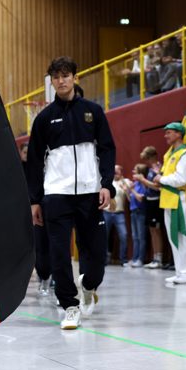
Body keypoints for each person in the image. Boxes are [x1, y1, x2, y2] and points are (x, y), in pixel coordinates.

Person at [26, 56, 115, 330]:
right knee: (59, 254)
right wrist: (34, 200)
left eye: (65, 76)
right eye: (56, 77)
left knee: (97, 256)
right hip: (56, 195)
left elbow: (107, 149)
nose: (61, 81)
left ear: (75, 78)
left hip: (90, 193)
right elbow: (34, 162)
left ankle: (88, 285)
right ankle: (70, 306)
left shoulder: (93, 112)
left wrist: (106, 184)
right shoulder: (44, 119)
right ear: (51, 82)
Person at [154, 122, 186, 284]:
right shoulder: (170, 154)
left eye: (169, 132)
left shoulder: (184, 154)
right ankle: (180, 272)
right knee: (174, 237)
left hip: (180, 199)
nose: (165, 135)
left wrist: (161, 179)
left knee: (182, 236)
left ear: (179, 134)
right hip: (169, 200)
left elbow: (182, 178)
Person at [20, 142, 51, 295]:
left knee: (46, 244)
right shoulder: (17, 171)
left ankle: (48, 277)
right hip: (24, 213)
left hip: (42, 209)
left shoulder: (42, 168)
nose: (27, 155)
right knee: (33, 246)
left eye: (29, 152)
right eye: (25, 152)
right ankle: (41, 275)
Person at [135, 146, 165, 268]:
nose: (146, 162)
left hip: (156, 202)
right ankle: (155, 257)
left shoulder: (159, 168)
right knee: (152, 230)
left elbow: (158, 187)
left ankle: (159, 258)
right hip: (149, 201)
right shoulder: (151, 169)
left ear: (152, 157)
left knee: (157, 230)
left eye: (147, 159)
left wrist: (142, 180)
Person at [104, 165, 131, 265]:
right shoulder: (107, 181)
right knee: (104, 236)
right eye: (114, 171)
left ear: (121, 172)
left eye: (117, 171)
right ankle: (104, 259)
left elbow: (130, 197)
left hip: (119, 213)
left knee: (123, 235)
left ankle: (123, 259)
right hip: (106, 213)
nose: (115, 173)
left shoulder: (125, 181)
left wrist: (125, 186)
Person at [127, 164, 148, 267]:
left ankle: (140, 259)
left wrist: (132, 190)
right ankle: (134, 258)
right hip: (133, 212)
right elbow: (130, 199)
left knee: (141, 237)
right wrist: (127, 190)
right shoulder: (135, 184)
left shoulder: (144, 185)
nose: (133, 172)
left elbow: (140, 198)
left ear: (141, 173)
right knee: (135, 237)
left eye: (135, 171)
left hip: (141, 212)